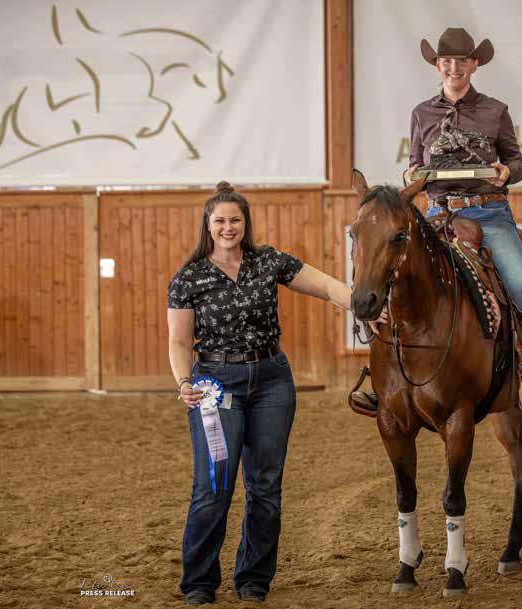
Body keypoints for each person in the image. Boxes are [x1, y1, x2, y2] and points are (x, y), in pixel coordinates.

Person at [168, 181, 352, 605]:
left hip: (272, 381)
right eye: (220, 220)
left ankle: (253, 579)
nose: (228, 227)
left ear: (245, 223)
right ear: (208, 225)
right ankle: (199, 583)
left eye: (235, 219)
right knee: (213, 488)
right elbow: (178, 342)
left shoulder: (269, 262)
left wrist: (364, 305)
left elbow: (327, 286)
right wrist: (182, 382)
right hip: (215, 385)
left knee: (265, 486)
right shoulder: (188, 278)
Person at [350, 27, 522, 416]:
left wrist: (506, 173)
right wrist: (411, 176)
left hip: (488, 212)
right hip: (438, 213)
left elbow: (516, 162)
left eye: (461, 61)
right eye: (446, 61)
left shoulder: (495, 111)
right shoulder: (421, 113)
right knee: (394, 275)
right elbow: (414, 166)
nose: (453, 67)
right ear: (437, 65)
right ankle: (384, 377)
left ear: (474, 64)